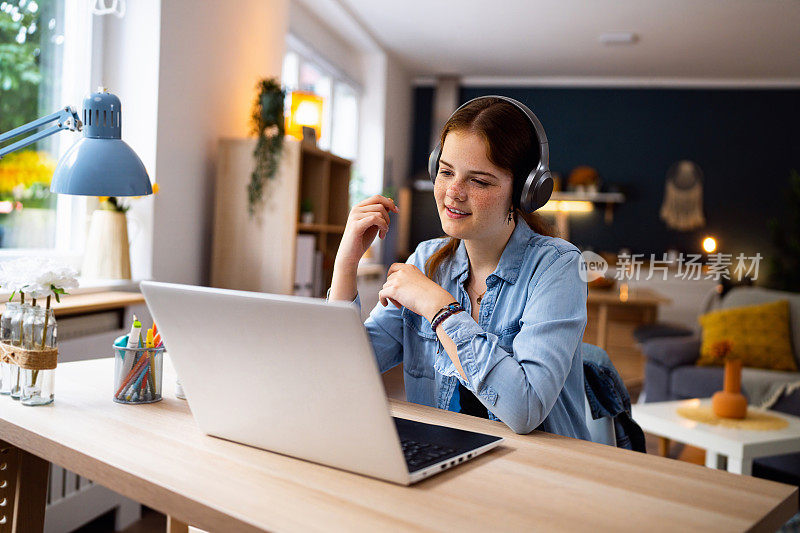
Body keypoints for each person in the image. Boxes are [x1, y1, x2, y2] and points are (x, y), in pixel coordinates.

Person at [329, 96, 590, 439]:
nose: (453, 192)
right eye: (447, 172)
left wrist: (438, 307)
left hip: (539, 471)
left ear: (525, 192)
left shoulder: (557, 266)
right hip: (448, 456)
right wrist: (346, 264)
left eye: (479, 181)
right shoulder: (426, 261)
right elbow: (341, 371)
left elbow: (524, 410)